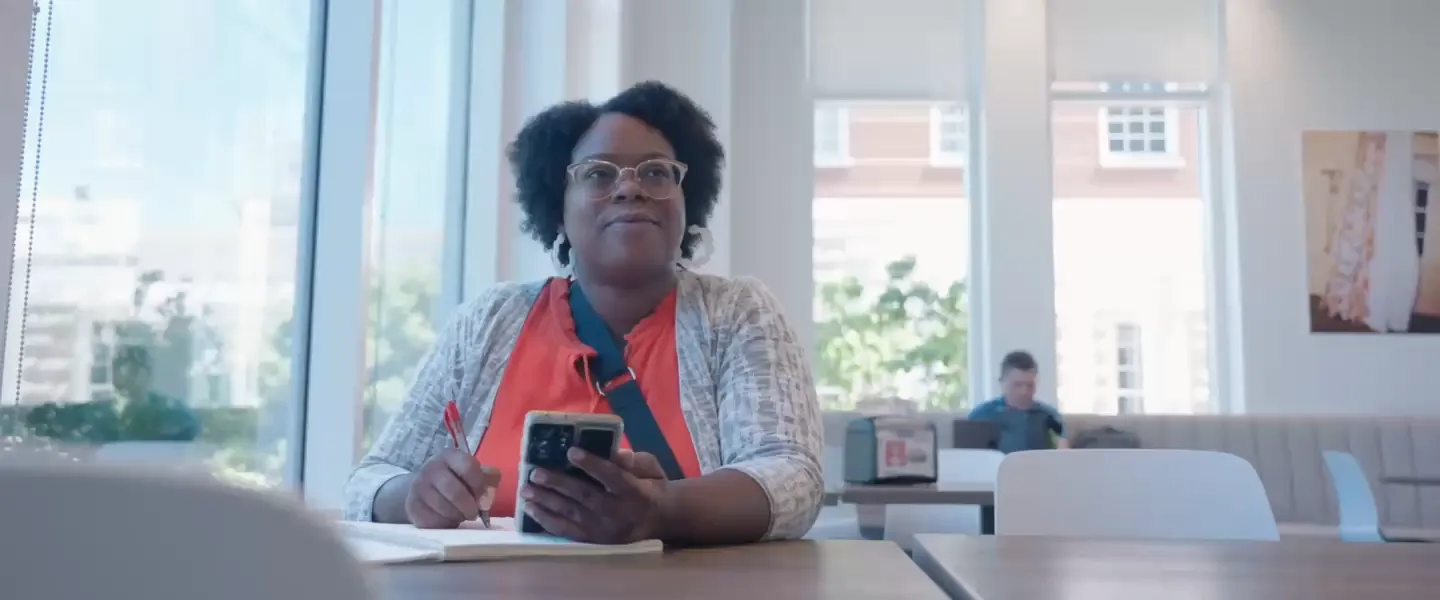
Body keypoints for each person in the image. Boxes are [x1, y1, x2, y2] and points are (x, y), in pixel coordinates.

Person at [343, 81, 824, 546]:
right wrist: (415, 495)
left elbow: (792, 478)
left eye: (656, 172)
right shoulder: (488, 321)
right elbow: (369, 481)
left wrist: (663, 510)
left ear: (686, 202)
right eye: (598, 174)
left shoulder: (737, 313)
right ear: (557, 209)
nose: (630, 188)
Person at [966, 351, 1068, 453]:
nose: (1024, 392)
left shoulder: (1048, 415)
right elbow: (971, 458)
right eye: (1017, 385)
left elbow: (1063, 448)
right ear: (1002, 383)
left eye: (1030, 385)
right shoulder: (982, 415)